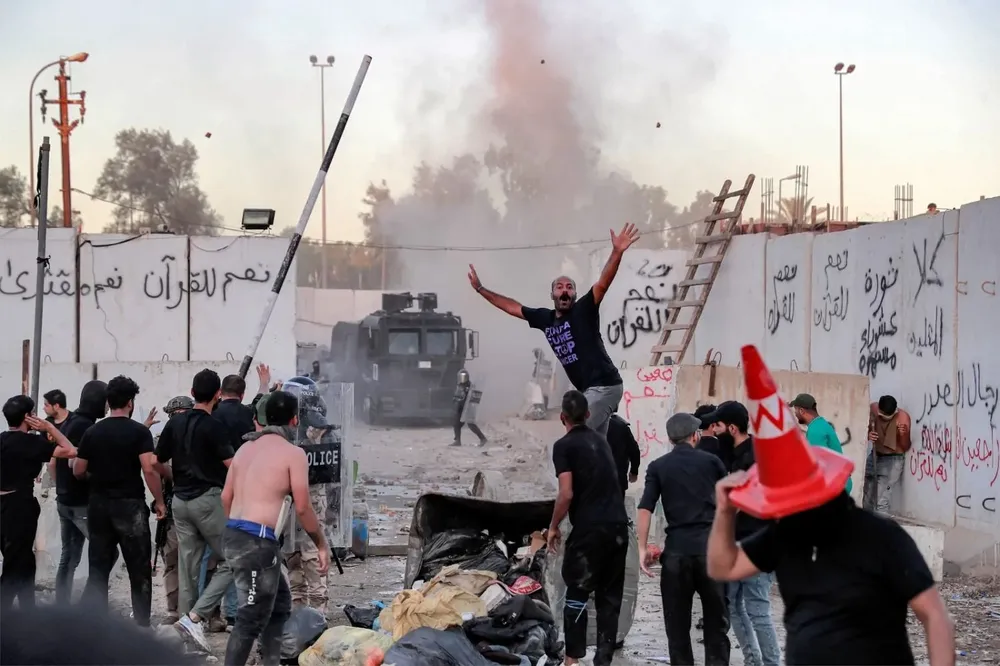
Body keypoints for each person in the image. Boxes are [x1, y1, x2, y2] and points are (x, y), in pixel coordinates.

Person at [707, 344, 954, 666]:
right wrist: (725, 512)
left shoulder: (881, 537)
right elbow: (722, 567)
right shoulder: (788, 534)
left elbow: (936, 616)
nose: (782, 511)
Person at [468, 223, 641, 436]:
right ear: (552, 295)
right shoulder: (545, 319)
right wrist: (480, 289)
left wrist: (616, 252)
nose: (565, 291)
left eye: (569, 287)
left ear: (575, 295)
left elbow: (603, 283)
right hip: (589, 390)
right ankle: (606, 469)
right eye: (559, 287)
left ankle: (567, 469)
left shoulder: (584, 310)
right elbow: (512, 307)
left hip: (604, 386)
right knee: (596, 447)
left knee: (576, 436)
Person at [222, 390, 329, 666]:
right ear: (295, 421)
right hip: (256, 544)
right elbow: (304, 508)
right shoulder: (293, 454)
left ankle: (272, 662)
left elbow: (225, 498)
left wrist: (239, 530)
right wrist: (321, 544)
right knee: (249, 618)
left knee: (280, 605)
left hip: (234, 533)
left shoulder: (245, 449)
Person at [638, 412, 730, 666]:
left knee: (677, 628)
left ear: (670, 438)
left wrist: (642, 548)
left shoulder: (658, 467)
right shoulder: (712, 462)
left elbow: (645, 507)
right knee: (716, 626)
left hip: (677, 555)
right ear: (694, 436)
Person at [155, 369, 236, 650]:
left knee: (188, 568)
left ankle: (187, 635)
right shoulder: (214, 427)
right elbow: (232, 466)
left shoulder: (174, 424)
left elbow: (156, 461)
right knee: (233, 559)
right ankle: (197, 614)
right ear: (217, 396)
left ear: (191, 393)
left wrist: (174, 477)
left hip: (180, 501)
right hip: (208, 500)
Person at [74, 376, 164, 626]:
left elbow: (78, 470)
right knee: (139, 568)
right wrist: (159, 501)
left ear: (108, 402)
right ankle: (142, 624)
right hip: (130, 506)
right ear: (130, 402)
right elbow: (148, 468)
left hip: (99, 506)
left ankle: (97, 624)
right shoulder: (139, 432)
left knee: (98, 568)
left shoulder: (92, 432)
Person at [547, 390, 629, 666]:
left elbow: (566, 493)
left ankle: (572, 659)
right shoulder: (601, 442)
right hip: (618, 527)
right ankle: (603, 660)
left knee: (578, 592)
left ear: (562, 418)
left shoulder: (563, 446)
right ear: (588, 415)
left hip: (590, 531)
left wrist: (553, 526)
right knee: (609, 597)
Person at [703, 400, 780, 666]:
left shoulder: (757, 458)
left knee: (757, 610)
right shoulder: (729, 455)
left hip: (758, 543)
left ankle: (771, 663)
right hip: (735, 544)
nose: (714, 430)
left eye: (719, 426)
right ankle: (753, 661)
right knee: (734, 608)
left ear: (733, 428)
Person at [0, 395, 76, 612]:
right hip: (19, 505)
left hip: (4, 505)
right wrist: (49, 428)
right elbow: (70, 450)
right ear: (28, 417)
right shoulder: (31, 443)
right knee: (15, 563)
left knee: (22, 559)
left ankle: (28, 611)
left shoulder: (2, 440)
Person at [50, 380, 108, 605]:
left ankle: (62, 606)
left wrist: (61, 490)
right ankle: (87, 605)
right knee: (105, 554)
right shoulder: (86, 427)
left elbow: (53, 464)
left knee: (69, 557)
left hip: (64, 500)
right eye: (105, 401)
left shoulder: (69, 422)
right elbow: (77, 469)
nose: (107, 406)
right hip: (81, 503)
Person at [155, 395, 194, 624]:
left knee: (201, 562)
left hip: (194, 504)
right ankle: (173, 609)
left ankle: (203, 612)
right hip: (173, 507)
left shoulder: (199, 435)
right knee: (172, 560)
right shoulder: (165, 440)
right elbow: (156, 469)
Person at [789, 393, 853, 494]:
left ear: (801, 411)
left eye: (796, 410)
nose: (795, 414)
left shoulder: (815, 431)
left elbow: (818, 464)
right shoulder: (820, 424)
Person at [867, 395, 911, 514]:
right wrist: (869, 435)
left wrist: (903, 435)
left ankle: (881, 528)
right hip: (875, 455)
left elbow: (905, 446)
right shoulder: (873, 409)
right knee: (867, 495)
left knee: (881, 499)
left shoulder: (902, 418)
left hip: (893, 459)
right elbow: (864, 430)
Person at [606, 411, 641, 496]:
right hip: (618, 480)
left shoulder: (590, 425)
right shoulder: (620, 425)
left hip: (595, 483)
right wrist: (634, 471)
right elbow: (634, 450)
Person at [451, 369, 487, 447]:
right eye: (461, 377)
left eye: (464, 377)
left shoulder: (470, 387)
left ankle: (483, 439)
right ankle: (457, 441)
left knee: (471, 424)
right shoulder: (459, 386)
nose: (462, 379)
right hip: (460, 408)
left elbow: (473, 399)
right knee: (456, 424)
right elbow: (457, 396)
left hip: (467, 408)